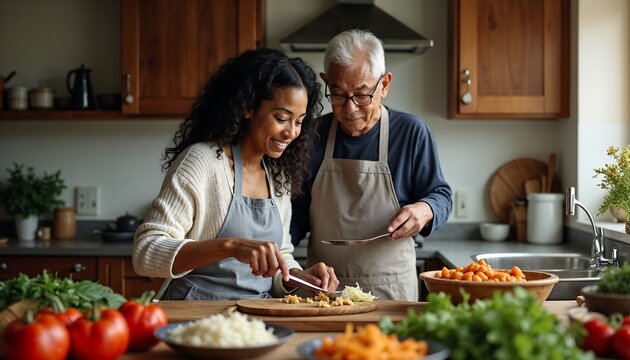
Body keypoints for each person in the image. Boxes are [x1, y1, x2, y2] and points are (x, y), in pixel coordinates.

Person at [133, 48, 339, 300]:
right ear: (248, 108)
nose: (291, 132)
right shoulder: (202, 162)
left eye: (299, 122)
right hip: (195, 314)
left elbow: (280, 255)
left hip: (255, 319)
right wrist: (229, 246)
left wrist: (297, 277)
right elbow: (145, 253)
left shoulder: (279, 176)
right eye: (282, 118)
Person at [291, 29, 453, 301]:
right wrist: (280, 256)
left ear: (385, 84)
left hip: (392, 291)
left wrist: (425, 210)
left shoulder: (412, 133)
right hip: (324, 291)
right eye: (339, 94)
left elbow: (441, 196)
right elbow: (295, 213)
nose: (350, 108)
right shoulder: (311, 135)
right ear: (325, 83)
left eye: (362, 95)